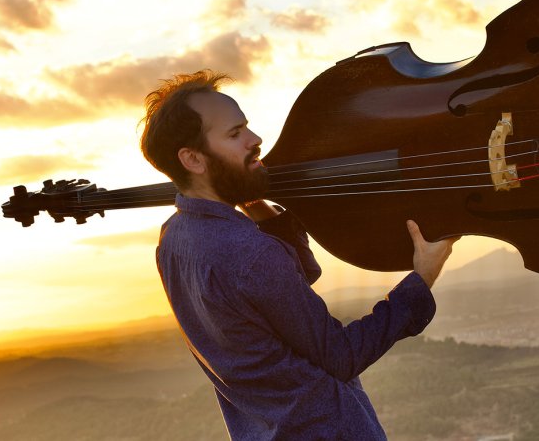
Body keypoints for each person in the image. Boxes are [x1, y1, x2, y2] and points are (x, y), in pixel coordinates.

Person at [140, 69, 459, 440]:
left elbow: (285, 289)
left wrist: (265, 215)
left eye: (246, 127)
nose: (255, 140)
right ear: (193, 159)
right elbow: (341, 355)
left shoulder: (173, 240)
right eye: (234, 134)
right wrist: (421, 280)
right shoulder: (251, 254)